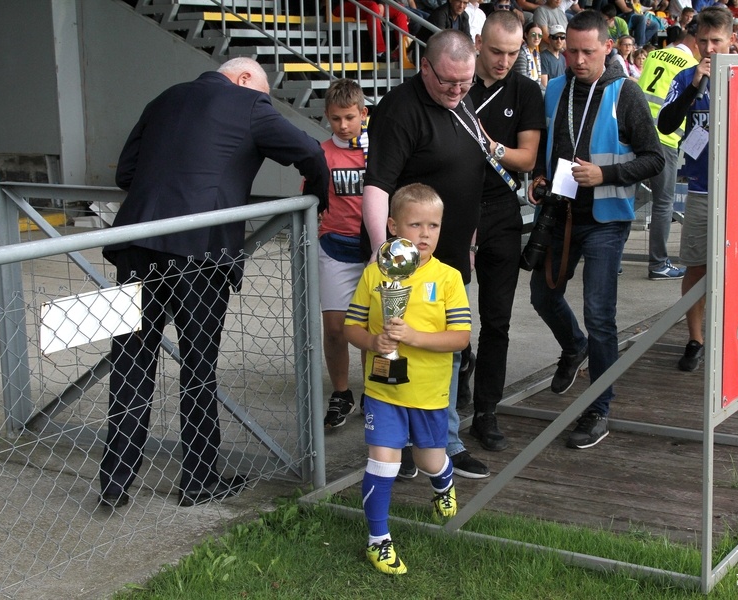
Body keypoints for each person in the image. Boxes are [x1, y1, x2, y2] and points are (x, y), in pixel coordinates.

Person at [99, 57, 329, 509]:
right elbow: (312, 153)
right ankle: (199, 478)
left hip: (137, 245)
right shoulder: (248, 104)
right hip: (200, 256)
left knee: (129, 363)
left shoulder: (163, 99)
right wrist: (316, 201)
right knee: (197, 369)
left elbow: (125, 173)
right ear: (244, 79)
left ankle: (115, 480)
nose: (261, 101)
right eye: (260, 93)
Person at [529, 10, 663, 449]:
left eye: (588, 51)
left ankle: (599, 408)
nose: (579, 60)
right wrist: (539, 176)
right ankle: (574, 346)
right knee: (541, 294)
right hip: (560, 214)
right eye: (571, 51)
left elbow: (654, 159)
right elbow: (549, 149)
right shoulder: (556, 89)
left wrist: (605, 176)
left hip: (606, 219)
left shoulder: (625, 93)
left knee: (599, 313)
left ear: (609, 47)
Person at [362, 29, 490, 479]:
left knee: (446, 351)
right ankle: (401, 444)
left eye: (465, 82)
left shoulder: (460, 99)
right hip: (404, 263)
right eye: (448, 82)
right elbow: (377, 184)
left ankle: (437, 442)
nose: (457, 90)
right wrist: (386, 253)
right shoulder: (400, 109)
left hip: (449, 256)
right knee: (396, 347)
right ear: (426, 67)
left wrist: (468, 241)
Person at [345, 183, 471, 575]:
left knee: (429, 459)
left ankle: (443, 481)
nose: (425, 234)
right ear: (393, 227)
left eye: (433, 225)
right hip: (383, 389)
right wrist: (374, 340)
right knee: (383, 461)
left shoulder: (449, 278)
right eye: (415, 224)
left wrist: (413, 337)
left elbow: (461, 337)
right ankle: (378, 541)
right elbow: (351, 328)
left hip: (430, 394)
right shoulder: (375, 275)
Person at [466, 11, 545, 451]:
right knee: (445, 311)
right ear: (479, 42)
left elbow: (529, 156)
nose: (503, 61)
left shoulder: (524, 89)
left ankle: (486, 410)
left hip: (499, 209)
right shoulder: (457, 78)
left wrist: (493, 146)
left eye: (513, 54)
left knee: (497, 319)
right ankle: (457, 373)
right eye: (496, 51)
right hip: (454, 208)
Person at [657, 5, 734, 373]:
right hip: (703, 190)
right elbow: (667, 121)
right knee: (697, 265)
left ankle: (733, 333)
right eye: (703, 41)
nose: (709, 48)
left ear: (731, 40)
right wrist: (693, 86)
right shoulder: (688, 76)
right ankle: (695, 338)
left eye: (716, 41)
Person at [318, 79, 369, 429]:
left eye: (350, 117)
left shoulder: (378, 150)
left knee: (370, 325)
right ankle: (341, 393)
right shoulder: (320, 153)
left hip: (373, 248)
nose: (343, 125)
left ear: (363, 114)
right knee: (335, 328)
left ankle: (373, 391)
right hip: (334, 246)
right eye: (336, 119)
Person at [637, 25, 699, 282]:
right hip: (665, 139)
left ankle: (614, 260)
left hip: (638, 133)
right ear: (696, 39)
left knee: (631, 198)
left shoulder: (655, 55)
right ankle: (659, 264)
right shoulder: (692, 65)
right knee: (663, 204)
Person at [514, 21, 547, 89]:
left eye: (540, 35)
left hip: (534, 87)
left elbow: (538, 79)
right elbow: (522, 80)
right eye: (533, 34)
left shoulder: (536, 54)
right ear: (526, 35)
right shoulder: (521, 54)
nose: (537, 38)